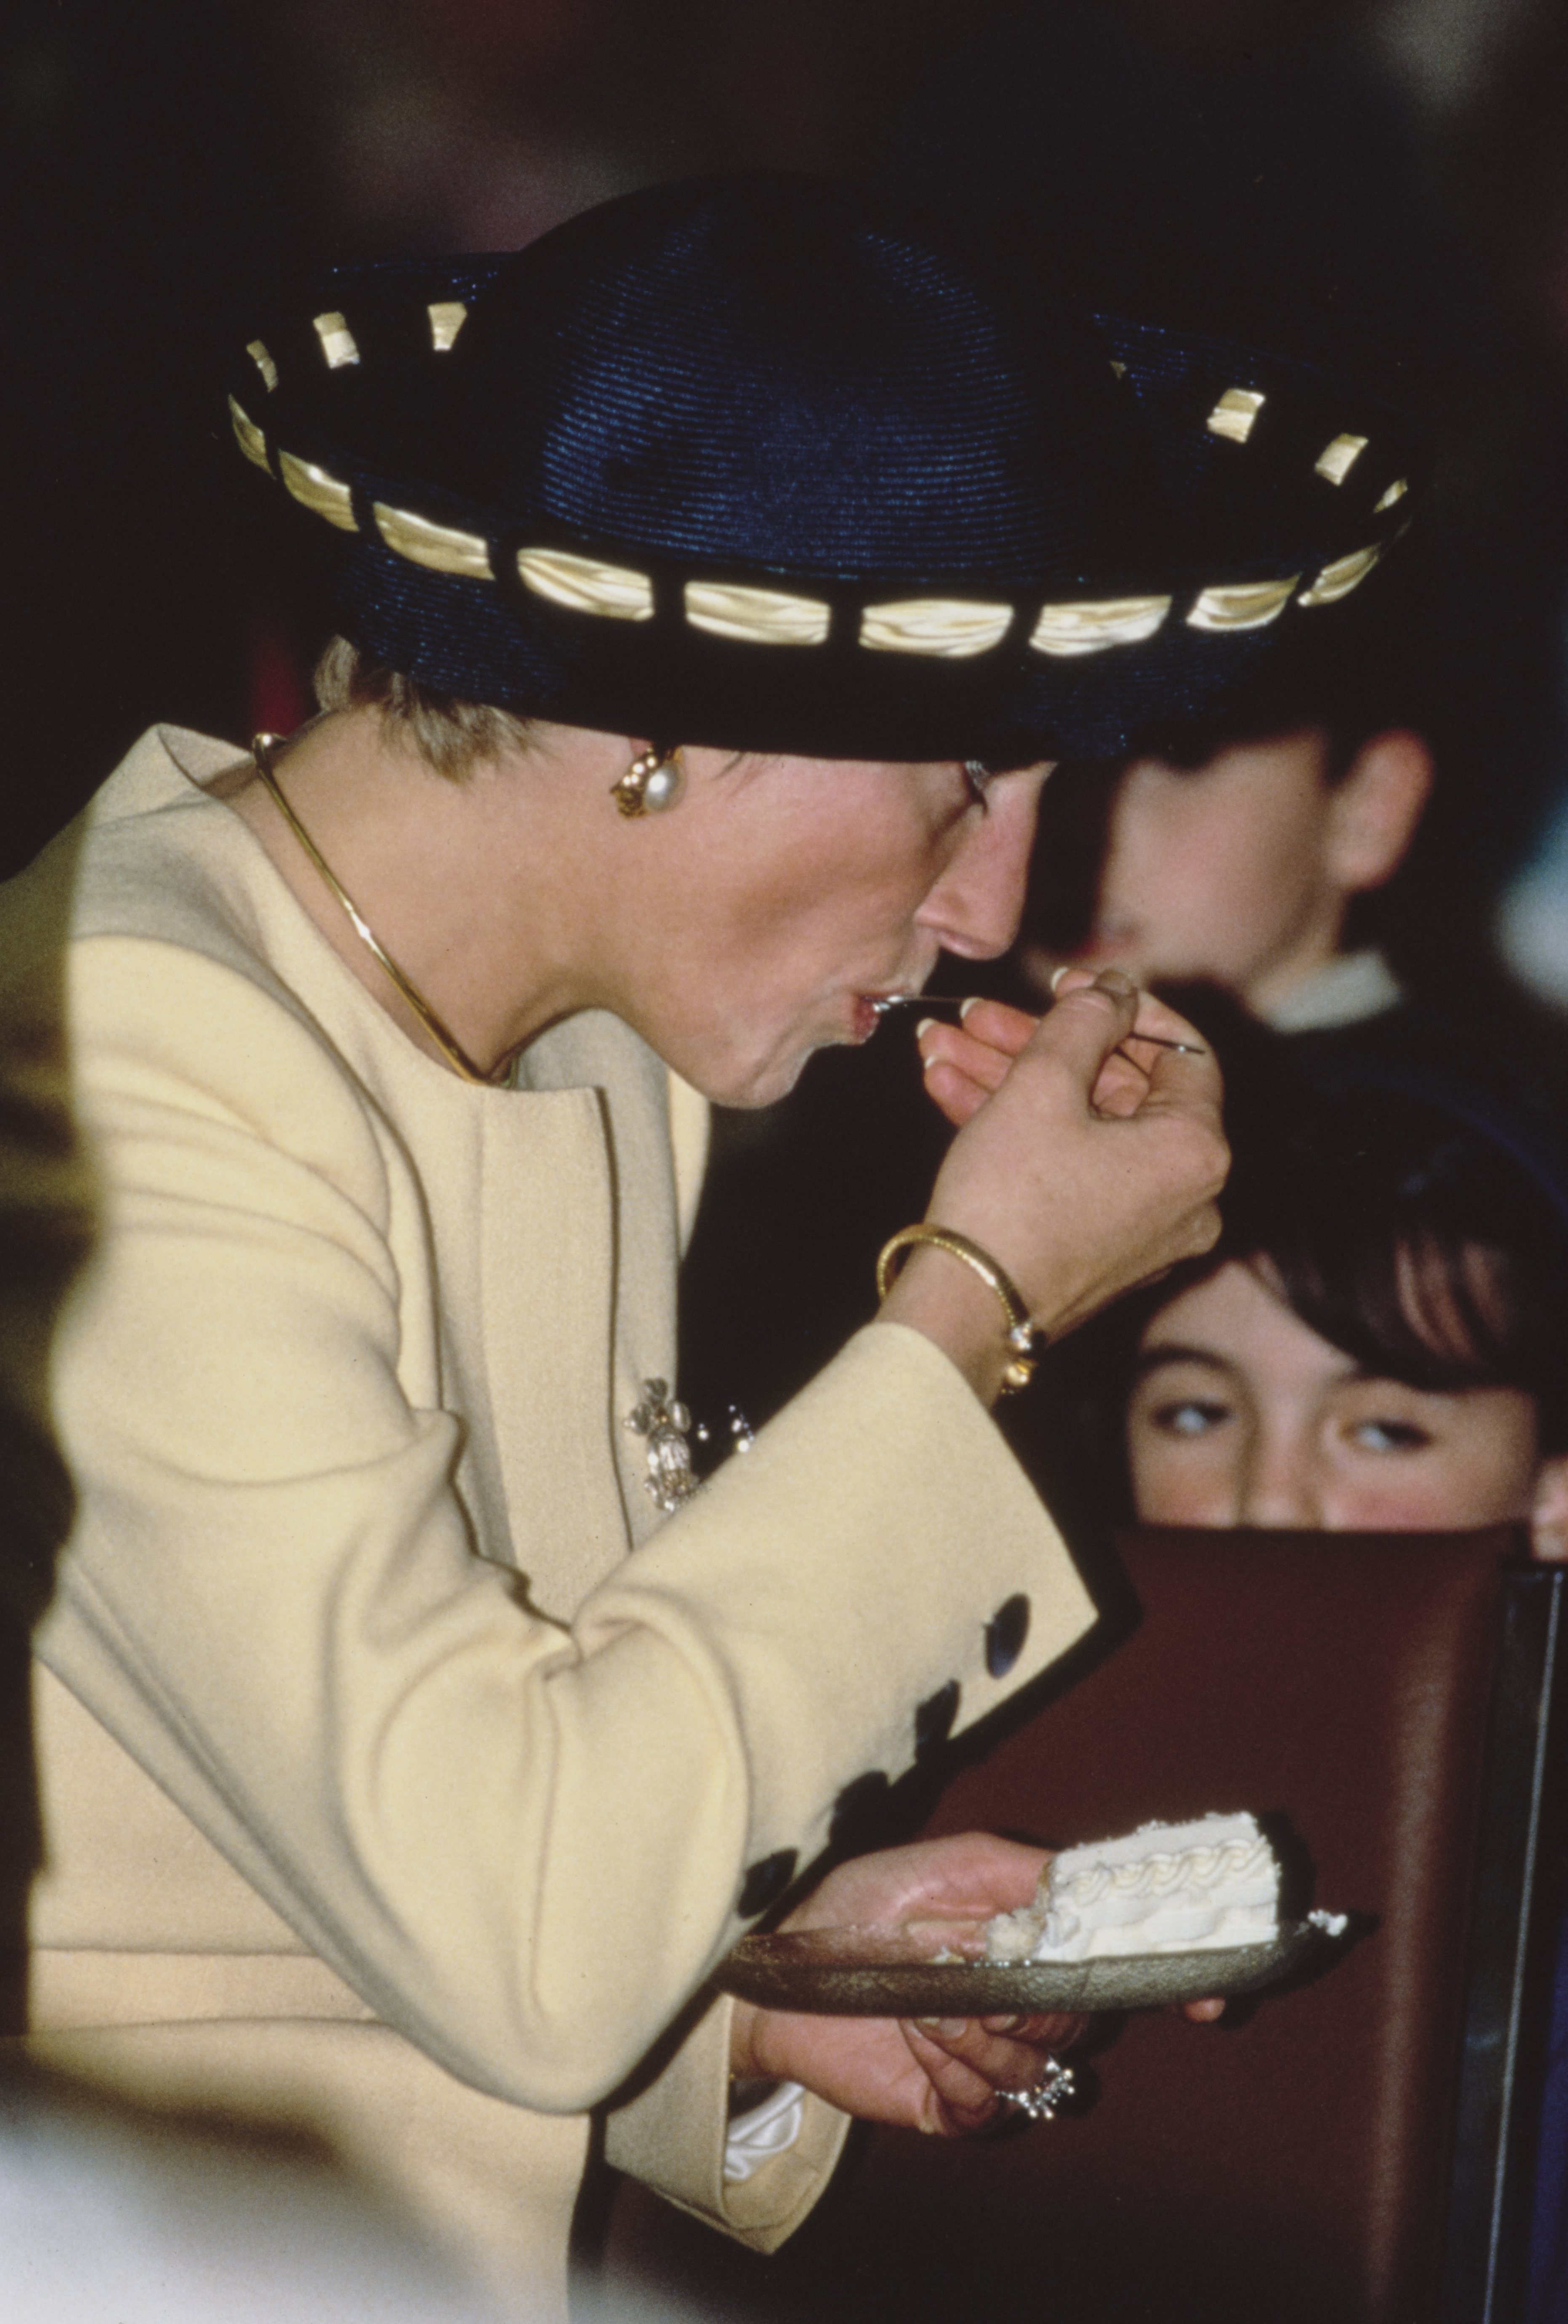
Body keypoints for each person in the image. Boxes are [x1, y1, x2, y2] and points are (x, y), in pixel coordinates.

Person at [0, 176, 1415, 2316]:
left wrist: (748, 1996)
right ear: (661, 728)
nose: (992, 909)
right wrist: (979, 1304)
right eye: (963, 777)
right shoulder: (111, 1062)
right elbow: (530, 1930)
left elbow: (373, 1855)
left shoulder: (573, 1024)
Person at [1013, 605, 1438, 1033]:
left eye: (1184, 759)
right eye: (1040, 759)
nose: (1076, 826)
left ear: (1370, 808)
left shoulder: (1414, 1095)